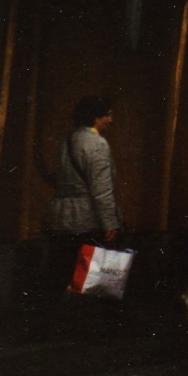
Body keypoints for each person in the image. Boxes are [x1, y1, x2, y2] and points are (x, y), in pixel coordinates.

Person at [44, 95, 123, 300]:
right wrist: (110, 224)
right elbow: (101, 190)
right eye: (108, 115)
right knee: (89, 279)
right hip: (88, 221)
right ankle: (84, 322)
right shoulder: (98, 144)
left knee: (62, 275)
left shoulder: (68, 141)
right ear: (97, 118)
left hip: (61, 219)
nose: (111, 120)